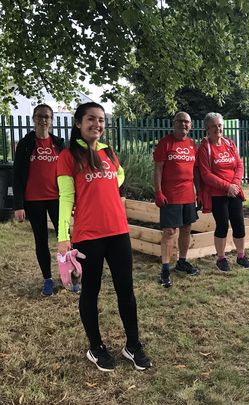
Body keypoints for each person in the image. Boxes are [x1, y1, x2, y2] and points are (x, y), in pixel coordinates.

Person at [57, 102, 152, 371]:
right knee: (91, 291)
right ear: (78, 123)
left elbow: (118, 177)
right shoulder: (68, 156)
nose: (96, 124)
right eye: (90, 119)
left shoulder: (108, 151)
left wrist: (100, 189)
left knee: (126, 290)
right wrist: (63, 236)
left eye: (101, 120)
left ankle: (133, 345)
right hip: (88, 235)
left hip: (118, 231)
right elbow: (65, 198)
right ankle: (95, 346)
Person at [13, 104, 65, 296]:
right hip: (33, 200)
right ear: (34, 119)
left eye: (47, 117)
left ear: (52, 120)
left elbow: (68, 172)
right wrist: (18, 205)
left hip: (57, 199)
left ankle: (68, 275)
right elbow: (17, 175)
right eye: (40, 116)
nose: (44, 120)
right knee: (41, 240)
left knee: (64, 238)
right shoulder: (26, 143)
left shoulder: (59, 143)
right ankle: (48, 279)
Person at [197, 112, 249, 272]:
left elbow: (239, 165)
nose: (218, 128)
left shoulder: (229, 143)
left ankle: (241, 256)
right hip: (217, 194)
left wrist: (234, 185)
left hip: (234, 192)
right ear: (207, 128)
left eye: (220, 125)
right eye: (214, 126)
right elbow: (206, 174)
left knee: (239, 224)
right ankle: (221, 258)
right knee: (222, 225)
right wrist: (226, 187)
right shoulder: (205, 147)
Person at [153, 111, 200, 288]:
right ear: (174, 123)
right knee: (169, 232)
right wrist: (158, 192)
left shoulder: (192, 144)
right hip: (170, 195)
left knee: (187, 228)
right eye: (180, 121)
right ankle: (165, 269)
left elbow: (195, 171)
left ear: (191, 125)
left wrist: (199, 192)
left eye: (187, 122)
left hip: (188, 194)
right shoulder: (165, 143)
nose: (183, 124)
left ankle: (182, 261)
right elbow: (158, 169)